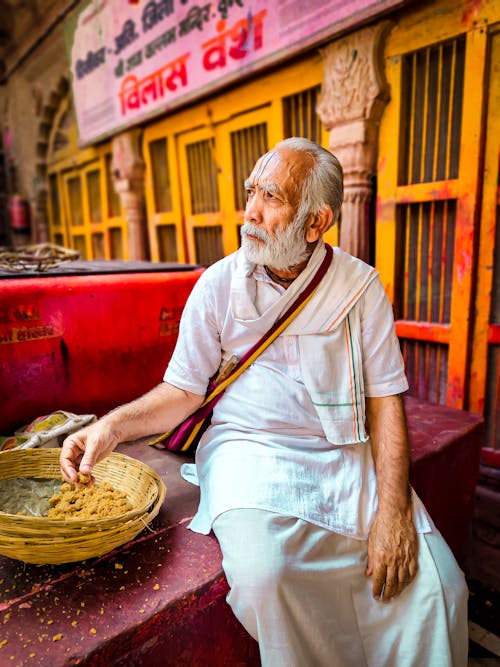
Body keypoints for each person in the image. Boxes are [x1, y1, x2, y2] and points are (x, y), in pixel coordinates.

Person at [60, 138, 467, 667]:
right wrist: (110, 429)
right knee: (266, 576)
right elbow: (182, 392)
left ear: (317, 222)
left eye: (270, 197)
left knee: (442, 589)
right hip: (248, 452)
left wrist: (392, 514)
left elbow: (386, 402)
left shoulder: (359, 288)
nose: (249, 211)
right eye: (251, 191)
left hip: (343, 453)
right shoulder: (218, 286)